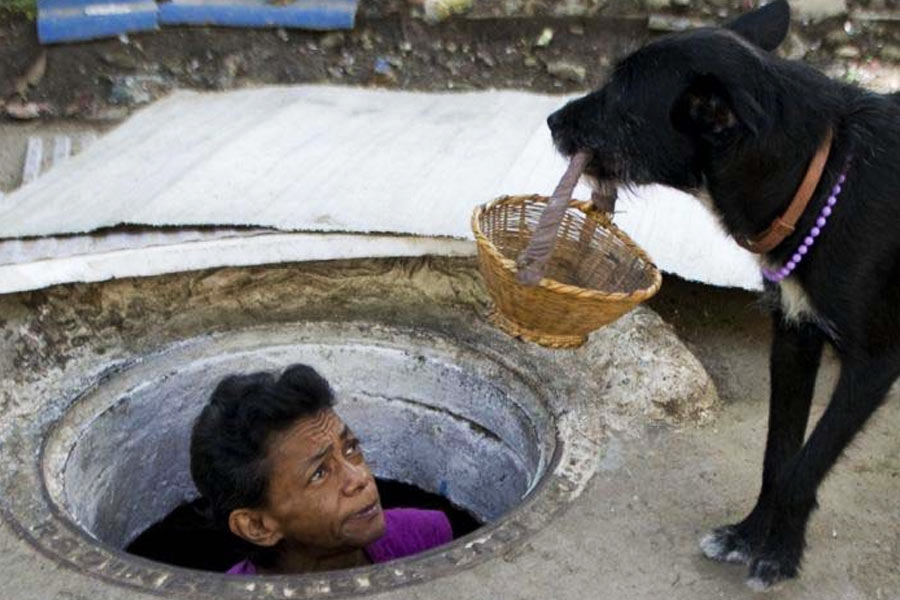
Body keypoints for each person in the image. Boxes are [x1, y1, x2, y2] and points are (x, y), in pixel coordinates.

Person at [190, 364, 452, 575]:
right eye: (319, 474)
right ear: (257, 526)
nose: (360, 478)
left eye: (351, 448)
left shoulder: (426, 539)